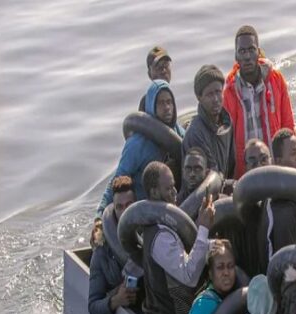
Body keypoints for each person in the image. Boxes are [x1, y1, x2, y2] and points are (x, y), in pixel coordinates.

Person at [141, 162, 214, 314]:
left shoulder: (165, 225)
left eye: (174, 185)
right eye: (168, 187)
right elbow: (189, 276)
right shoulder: (160, 237)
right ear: (155, 192)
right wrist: (204, 228)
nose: (175, 191)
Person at [96, 80, 185, 218]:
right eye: (160, 103)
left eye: (169, 102)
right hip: (144, 209)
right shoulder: (137, 144)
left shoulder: (179, 135)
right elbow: (117, 180)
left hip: (172, 203)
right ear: (151, 106)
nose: (167, 107)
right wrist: (100, 216)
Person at [223, 25, 295, 179]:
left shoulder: (276, 80)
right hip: (246, 173)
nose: (247, 56)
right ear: (236, 56)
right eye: (242, 51)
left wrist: (290, 164)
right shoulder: (229, 91)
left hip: (276, 166)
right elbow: (227, 142)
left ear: (258, 52)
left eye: (251, 49)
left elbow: (288, 126)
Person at [88, 176, 139, 314]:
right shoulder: (102, 250)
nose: (124, 212)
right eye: (119, 207)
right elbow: (93, 308)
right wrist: (116, 300)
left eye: (129, 205)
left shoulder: (150, 234)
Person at [182, 65, 235, 178]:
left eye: (218, 92)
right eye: (209, 94)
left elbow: (231, 164)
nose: (216, 99)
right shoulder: (195, 133)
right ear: (199, 97)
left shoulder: (227, 123)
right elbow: (210, 174)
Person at [138, 46, 171, 111]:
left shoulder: (170, 95)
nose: (164, 70)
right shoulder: (147, 102)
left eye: (166, 65)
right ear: (149, 74)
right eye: (158, 67)